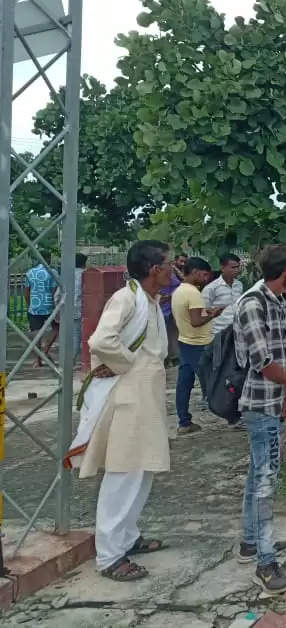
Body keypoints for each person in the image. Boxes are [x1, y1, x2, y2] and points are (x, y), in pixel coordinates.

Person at [67, 240, 172, 582]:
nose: (172, 269)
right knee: (124, 474)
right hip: (129, 399)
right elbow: (100, 342)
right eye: (168, 264)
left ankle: (127, 537)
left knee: (143, 471)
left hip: (144, 397)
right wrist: (125, 363)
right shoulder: (126, 298)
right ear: (154, 269)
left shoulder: (148, 300)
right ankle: (110, 556)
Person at [235, 244, 286, 594]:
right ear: (285, 270)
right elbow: (263, 361)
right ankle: (265, 563)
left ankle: (251, 542)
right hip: (260, 405)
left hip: (276, 401)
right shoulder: (252, 302)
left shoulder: (276, 300)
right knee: (266, 480)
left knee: (257, 473)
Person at [171, 257, 223, 434]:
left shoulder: (180, 291)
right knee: (216, 381)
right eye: (204, 274)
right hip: (199, 344)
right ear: (194, 272)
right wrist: (213, 314)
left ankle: (184, 421)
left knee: (184, 384)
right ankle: (232, 415)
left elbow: (189, 315)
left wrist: (205, 312)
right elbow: (196, 321)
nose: (206, 278)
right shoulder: (193, 293)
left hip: (185, 341)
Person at [48, 253, 88, 364]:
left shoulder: (65, 275)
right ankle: (70, 361)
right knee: (76, 337)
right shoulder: (85, 275)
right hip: (79, 310)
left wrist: (57, 311)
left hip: (64, 309)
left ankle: (65, 359)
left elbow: (57, 295)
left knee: (65, 336)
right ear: (84, 263)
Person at [25, 250, 56, 367]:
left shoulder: (30, 272)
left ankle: (38, 360)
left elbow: (27, 292)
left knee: (36, 334)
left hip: (35, 306)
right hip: (50, 306)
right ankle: (45, 350)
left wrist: (29, 306)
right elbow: (54, 291)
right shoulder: (52, 272)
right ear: (48, 259)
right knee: (57, 328)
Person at [202, 254, 243, 337]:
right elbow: (204, 311)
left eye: (238, 267)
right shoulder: (211, 288)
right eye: (233, 267)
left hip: (237, 330)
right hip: (218, 332)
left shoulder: (239, 285)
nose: (237, 270)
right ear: (222, 268)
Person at [158, 267, 181, 368]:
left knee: (169, 335)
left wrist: (169, 296)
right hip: (158, 310)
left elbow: (179, 287)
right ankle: (165, 359)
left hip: (168, 310)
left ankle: (171, 358)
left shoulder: (170, 275)